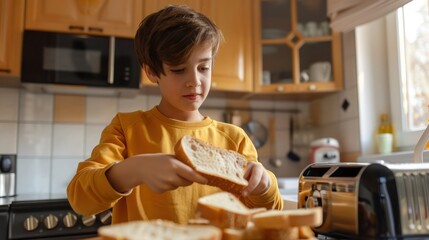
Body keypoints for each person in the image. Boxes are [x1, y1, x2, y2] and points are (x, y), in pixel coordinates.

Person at [67, 4, 283, 224]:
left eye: (203, 67)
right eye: (179, 70)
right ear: (151, 72)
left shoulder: (234, 138)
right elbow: (81, 200)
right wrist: (135, 169)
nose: (195, 81)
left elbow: (268, 213)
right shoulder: (127, 127)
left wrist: (264, 185)